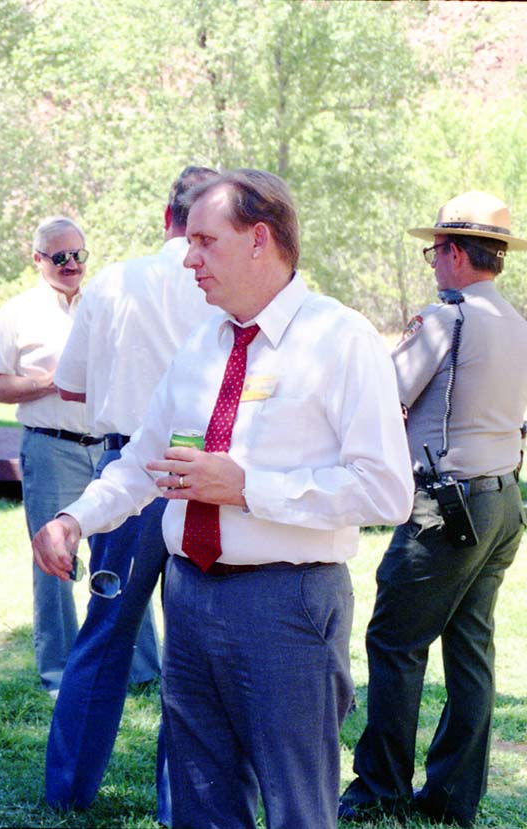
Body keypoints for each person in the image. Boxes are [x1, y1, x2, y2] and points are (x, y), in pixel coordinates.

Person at [32, 169, 414, 829]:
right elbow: (142, 461)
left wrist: (246, 487)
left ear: (259, 239)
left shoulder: (341, 339)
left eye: (206, 241)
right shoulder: (202, 344)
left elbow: (387, 489)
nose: (189, 259)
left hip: (286, 604)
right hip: (189, 595)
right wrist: (74, 518)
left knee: (297, 806)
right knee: (200, 803)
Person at [340, 192, 527, 828]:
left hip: (446, 506)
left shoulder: (447, 319)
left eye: (435, 252)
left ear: (454, 253)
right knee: (470, 649)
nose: (433, 264)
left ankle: (380, 790)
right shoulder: (515, 321)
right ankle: (452, 796)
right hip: (502, 500)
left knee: (395, 642)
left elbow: (383, 395)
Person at [45, 165, 218, 815]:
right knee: (194, 648)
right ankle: (181, 802)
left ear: (165, 215)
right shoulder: (225, 285)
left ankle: (68, 789)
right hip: (202, 474)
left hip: (127, 468)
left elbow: (69, 385)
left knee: (105, 631)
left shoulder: (112, 281)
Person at [0, 216, 101, 696]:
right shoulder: (16, 314)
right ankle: (59, 672)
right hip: (51, 447)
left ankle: (133, 667)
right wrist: (53, 381)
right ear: (37, 259)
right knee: (55, 561)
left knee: (121, 556)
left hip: (108, 448)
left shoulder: (104, 305)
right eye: (60, 257)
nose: (72, 265)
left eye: (78, 255)